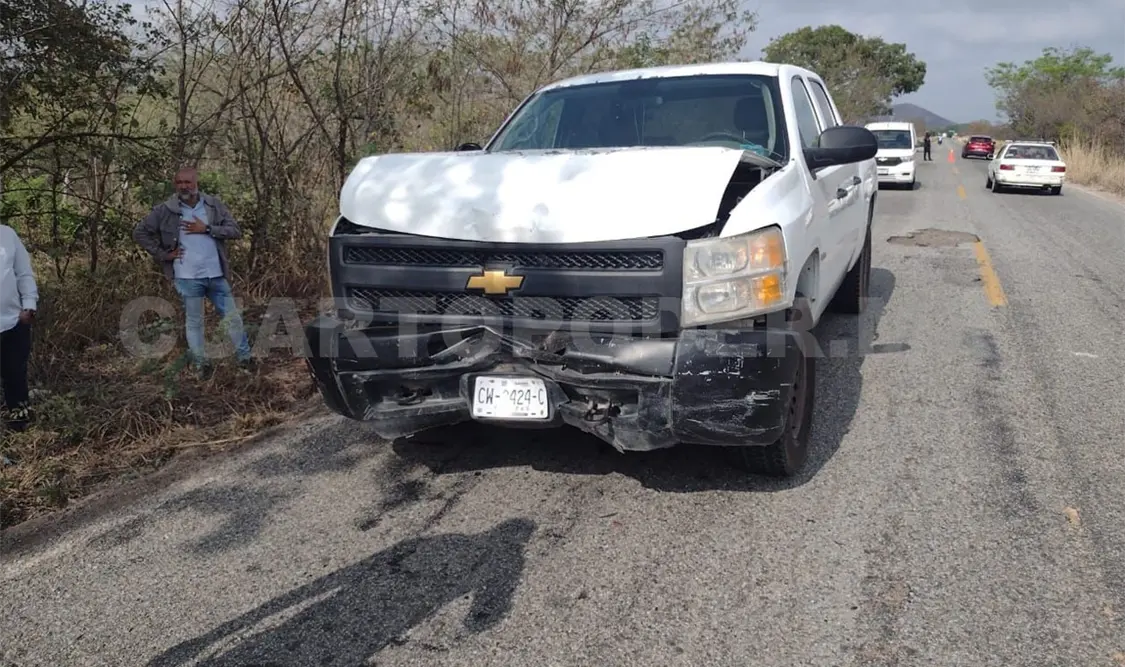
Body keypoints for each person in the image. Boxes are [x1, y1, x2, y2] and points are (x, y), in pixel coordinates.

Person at [133, 166, 255, 377]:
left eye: (187, 182)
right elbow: (140, 232)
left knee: (232, 317)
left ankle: (245, 360)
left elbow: (235, 230)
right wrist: (163, 254)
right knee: (195, 323)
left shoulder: (213, 205)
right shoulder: (165, 210)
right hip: (187, 277)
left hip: (216, 274)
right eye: (179, 182)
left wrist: (207, 229)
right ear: (175, 184)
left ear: (196, 183)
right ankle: (201, 366)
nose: (184, 186)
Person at [0, 222, 38, 431]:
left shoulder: (7, 235)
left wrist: (29, 306)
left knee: (15, 377)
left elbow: (24, 274)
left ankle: (20, 426)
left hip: (13, 323)